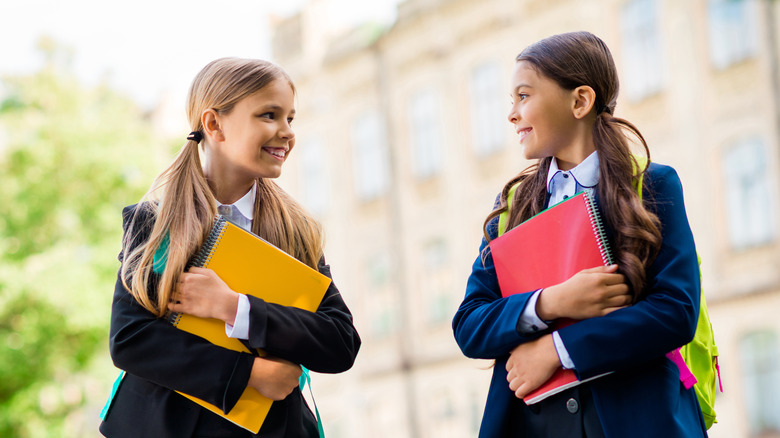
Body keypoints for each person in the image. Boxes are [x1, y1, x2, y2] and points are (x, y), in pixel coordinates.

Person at [452, 32, 707, 437]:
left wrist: (558, 350)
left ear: (579, 101)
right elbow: (469, 325)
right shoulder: (511, 208)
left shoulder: (652, 186)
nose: (512, 114)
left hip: (639, 422)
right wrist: (550, 303)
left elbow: (675, 311)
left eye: (524, 95)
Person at [99, 58, 361, 438]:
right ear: (213, 124)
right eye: (269, 115)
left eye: (291, 119)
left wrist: (235, 308)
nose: (286, 132)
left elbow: (340, 342)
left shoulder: (296, 230)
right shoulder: (155, 224)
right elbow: (131, 340)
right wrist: (251, 375)